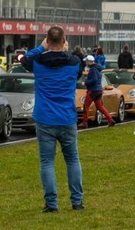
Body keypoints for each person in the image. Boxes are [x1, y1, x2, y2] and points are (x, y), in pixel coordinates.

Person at [21, 26, 85, 213]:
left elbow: (24, 59)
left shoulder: (37, 62)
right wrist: (64, 49)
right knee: (72, 160)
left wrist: (41, 48)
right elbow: (79, 71)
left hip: (45, 118)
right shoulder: (74, 62)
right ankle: (77, 202)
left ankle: (52, 204)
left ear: (47, 40)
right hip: (67, 118)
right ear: (64, 41)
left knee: (47, 162)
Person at [79, 55, 115, 128]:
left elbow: (94, 80)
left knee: (86, 106)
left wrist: (85, 83)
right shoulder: (98, 68)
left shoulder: (93, 69)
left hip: (92, 90)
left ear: (89, 61)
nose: (86, 63)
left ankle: (84, 123)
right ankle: (110, 119)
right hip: (99, 90)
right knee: (100, 106)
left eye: (86, 61)